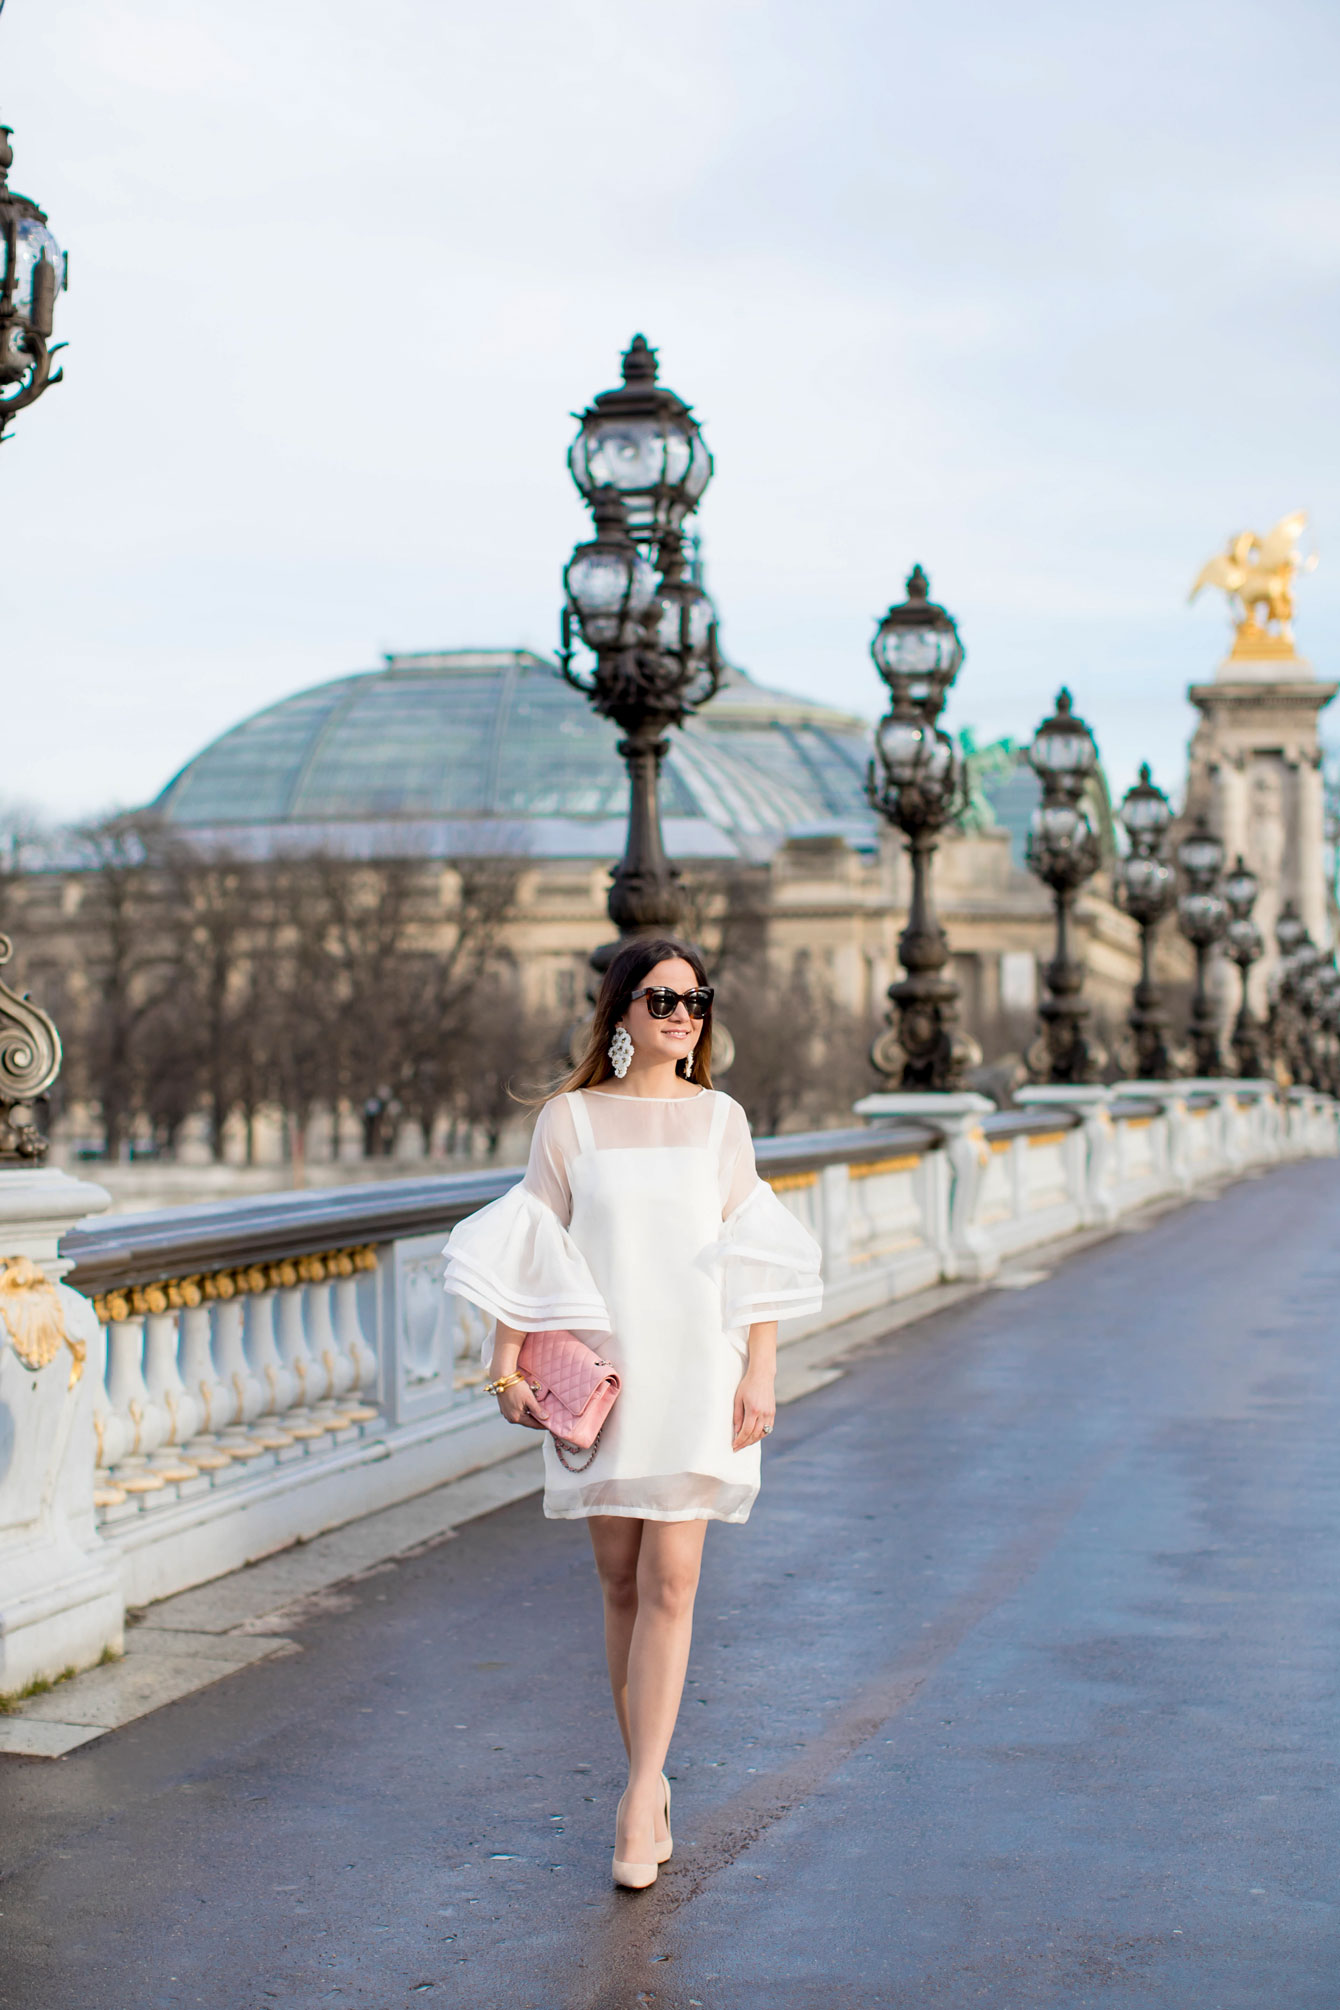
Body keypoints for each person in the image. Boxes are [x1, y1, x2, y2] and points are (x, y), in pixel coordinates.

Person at [442, 936, 823, 1889]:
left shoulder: (721, 1121)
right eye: (663, 1001)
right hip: (607, 1377)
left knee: (675, 1578)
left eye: (697, 1000)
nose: (684, 1015)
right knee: (619, 1580)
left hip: (700, 1370)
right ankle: (645, 1779)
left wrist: (762, 1371)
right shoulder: (570, 1122)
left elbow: (757, 1251)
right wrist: (504, 1367)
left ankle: (642, 1789)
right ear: (620, 1013)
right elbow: (527, 1243)